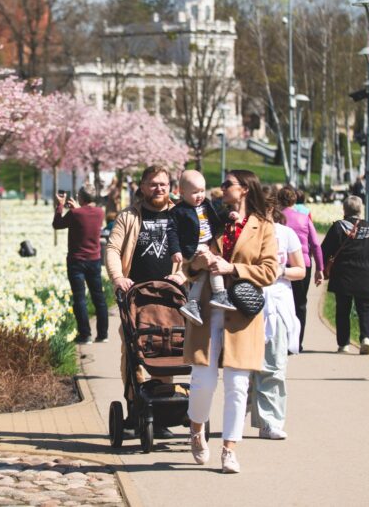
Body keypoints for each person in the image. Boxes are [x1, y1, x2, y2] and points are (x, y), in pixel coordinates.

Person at [184, 169, 278, 474]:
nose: (222, 189)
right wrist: (197, 262)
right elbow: (189, 265)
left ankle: (229, 449)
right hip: (208, 310)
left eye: (228, 185)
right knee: (203, 382)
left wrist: (233, 268)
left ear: (245, 190)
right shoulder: (214, 221)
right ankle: (197, 429)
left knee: (237, 386)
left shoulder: (263, 227)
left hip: (242, 314)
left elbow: (270, 271)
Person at [106, 164, 184, 438]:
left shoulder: (180, 214)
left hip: (170, 298)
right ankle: (134, 410)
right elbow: (113, 248)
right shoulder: (129, 216)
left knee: (166, 351)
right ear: (142, 186)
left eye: (163, 184)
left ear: (170, 186)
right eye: (153, 184)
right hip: (136, 299)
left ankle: (160, 415)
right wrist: (118, 278)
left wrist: (183, 276)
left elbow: (196, 251)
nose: (158, 188)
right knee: (132, 355)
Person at [249, 204, 305, 440]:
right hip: (248, 302)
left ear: (270, 208)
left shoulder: (286, 233)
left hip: (278, 303)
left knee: (274, 364)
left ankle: (271, 422)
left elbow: (300, 270)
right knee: (246, 366)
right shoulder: (246, 231)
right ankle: (244, 413)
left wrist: (279, 272)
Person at [318, 195, 369, 354]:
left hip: (344, 274)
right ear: (360, 210)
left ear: (344, 210)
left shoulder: (338, 227)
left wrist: (323, 268)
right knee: (365, 308)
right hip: (367, 275)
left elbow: (324, 250)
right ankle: (366, 338)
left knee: (343, 309)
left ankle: (344, 344)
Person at [171, 169, 235, 327]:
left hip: (206, 244)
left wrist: (229, 217)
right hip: (192, 247)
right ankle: (219, 293)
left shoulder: (206, 204)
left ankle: (192, 302)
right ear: (182, 192)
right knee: (215, 264)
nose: (199, 195)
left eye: (201, 191)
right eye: (194, 192)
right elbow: (171, 232)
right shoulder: (179, 211)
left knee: (202, 276)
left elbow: (216, 217)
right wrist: (176, 250)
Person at [53, 184, 108, 345]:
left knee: (80, 298)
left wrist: (60, 205)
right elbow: (85, 216)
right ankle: (103, 334)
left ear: (80, 198)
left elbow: (57, 224)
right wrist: (76, 208)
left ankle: (85, 335)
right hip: (95, 260)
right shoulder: (100, 212)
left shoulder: (75, 213)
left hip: (77, 261)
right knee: (99, 297)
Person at [276, 186, 323, 351]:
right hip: (302, 265)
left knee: (280, 302)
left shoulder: (277, 219)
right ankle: (297, 343)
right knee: (300, 303)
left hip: (280, 264)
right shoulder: (304, 218)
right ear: (294, 200)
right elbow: (316, 244)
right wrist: (320, 269)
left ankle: (281, 339)